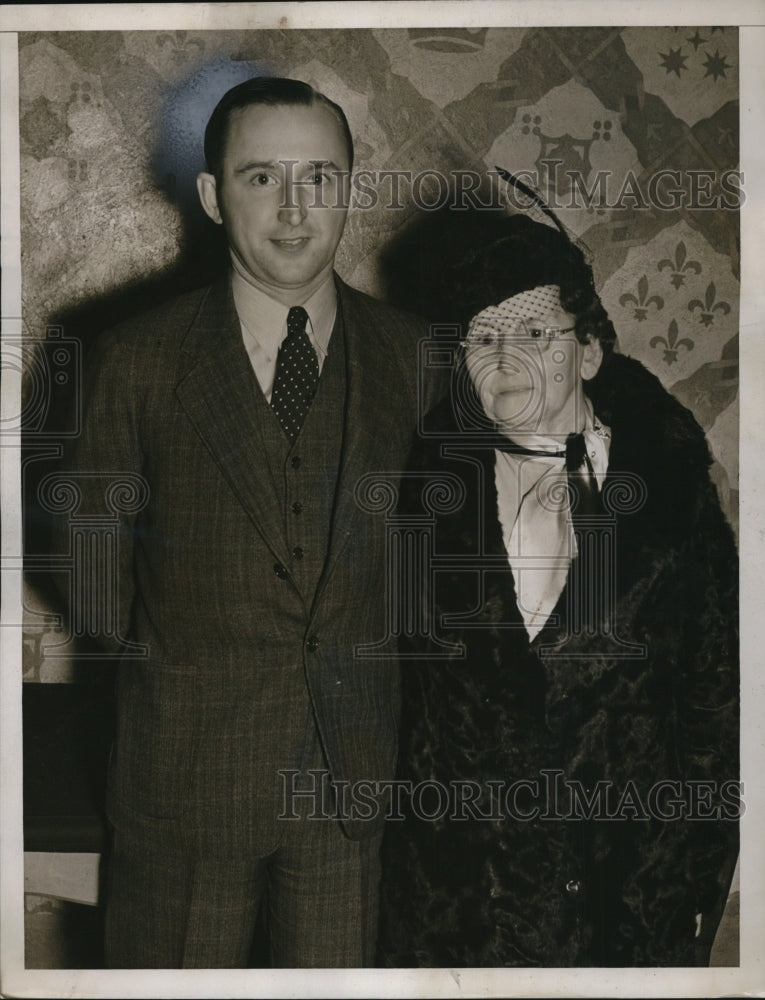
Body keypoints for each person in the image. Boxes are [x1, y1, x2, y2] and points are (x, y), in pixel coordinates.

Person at [56, 76, 441, 968]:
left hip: (350, 781)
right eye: (262, 177)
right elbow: (94, 574)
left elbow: (435, 557)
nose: (295, 208)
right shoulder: (135, 358)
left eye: (320, 176)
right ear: (210, 195)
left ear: (351, 187)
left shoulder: (416, 355)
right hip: (187, 778)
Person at [378, 213, 739, 967]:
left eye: (535, 333)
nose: (506, 357)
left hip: (630, 897)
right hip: (468, 910)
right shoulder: (423, 495)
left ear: (591, 349)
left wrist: (701, 870)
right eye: (482, 339)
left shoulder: (674, 498)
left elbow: (714, 700)